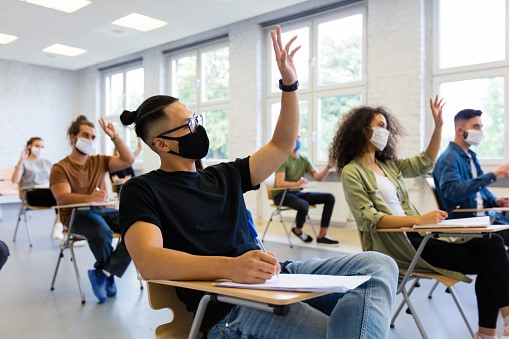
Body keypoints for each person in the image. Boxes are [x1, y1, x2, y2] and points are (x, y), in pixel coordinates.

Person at [119, 25, 398, 338]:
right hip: (230, 306)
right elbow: (149, 261)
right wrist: (231, 267)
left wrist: (289, 85)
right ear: (162, 144)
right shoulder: (142, 190)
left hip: (274, 276)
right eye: (188, 124)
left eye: (196, 119)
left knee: (378, 267)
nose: (198, 127)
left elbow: (280, 144)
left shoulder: (224, 175)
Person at [332, 97, 509, 339]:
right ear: (363, 130)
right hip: (401, 244)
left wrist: (437, 127)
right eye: (380, 126)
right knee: (493, 258)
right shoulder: (352, 172)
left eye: (386, 126)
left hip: (421, 234)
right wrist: (417, 220)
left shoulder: (389, 166)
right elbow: (369, 219)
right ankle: (493, 330)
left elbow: (425, 162)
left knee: (493, 245)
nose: (385, 131)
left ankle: (492, 330)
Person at [50, 115, 134, 303]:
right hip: (75, 214)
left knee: (136, 227)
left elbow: (128, 160)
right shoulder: (60, 168)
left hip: (102, 210)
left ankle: (104, 273)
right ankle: (109, 275)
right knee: (101, 231)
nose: (90, 140)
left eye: (93, 137)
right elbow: (62, 198)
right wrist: (90, 198)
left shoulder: (100, 160)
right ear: (73, 137)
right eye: (85, 135)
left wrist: (114, 136)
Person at [433, 109, 509, 235]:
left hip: (485, 218)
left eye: (481, 126)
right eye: (475, 126)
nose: (480, 131)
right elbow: (453, 191)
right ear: (460, 131)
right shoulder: (449, 158)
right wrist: (493, 175)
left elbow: (480, 189)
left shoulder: (471, 157)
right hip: (468, 221)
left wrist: (496, 200)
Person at [274, 135, 337, 244]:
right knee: (304, 205)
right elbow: (280, 183)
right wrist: (297, 183)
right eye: (296, 137)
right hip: (282, 195)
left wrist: (328, 167)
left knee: (329, 198)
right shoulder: (283, 159)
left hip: (297, 193)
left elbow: (318, 177)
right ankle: (298, 231)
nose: (298, 138)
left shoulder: (303, 159)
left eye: (299, 137)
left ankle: (322, 235)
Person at [11, 137, 64, 240]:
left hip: (49, 192)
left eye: (42, 147)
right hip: (32, 193)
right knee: (60, 196)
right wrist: (21, 159)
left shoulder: (47, 162)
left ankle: (60, 226)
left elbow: (56, 178)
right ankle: (60, 227)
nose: (40, 149)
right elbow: (15, 180)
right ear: (29, 147)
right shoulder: (24, 162)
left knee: (63, 196)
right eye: (37, 146)